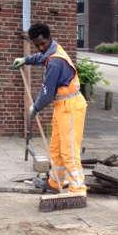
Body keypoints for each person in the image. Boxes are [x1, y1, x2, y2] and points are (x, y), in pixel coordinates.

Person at [13, 23, 87, 195]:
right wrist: (26, 60)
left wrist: (35, 108)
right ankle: (55, 181)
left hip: (71, 107)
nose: (40, 47)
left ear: (49, 38)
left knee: (69, 149)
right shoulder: (52, 50)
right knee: (55, 147)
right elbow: (41, 57)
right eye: (37, 45)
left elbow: (47, 93)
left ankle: (77, 188)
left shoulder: (55, 62)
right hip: (62, 106)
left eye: (42, 44)